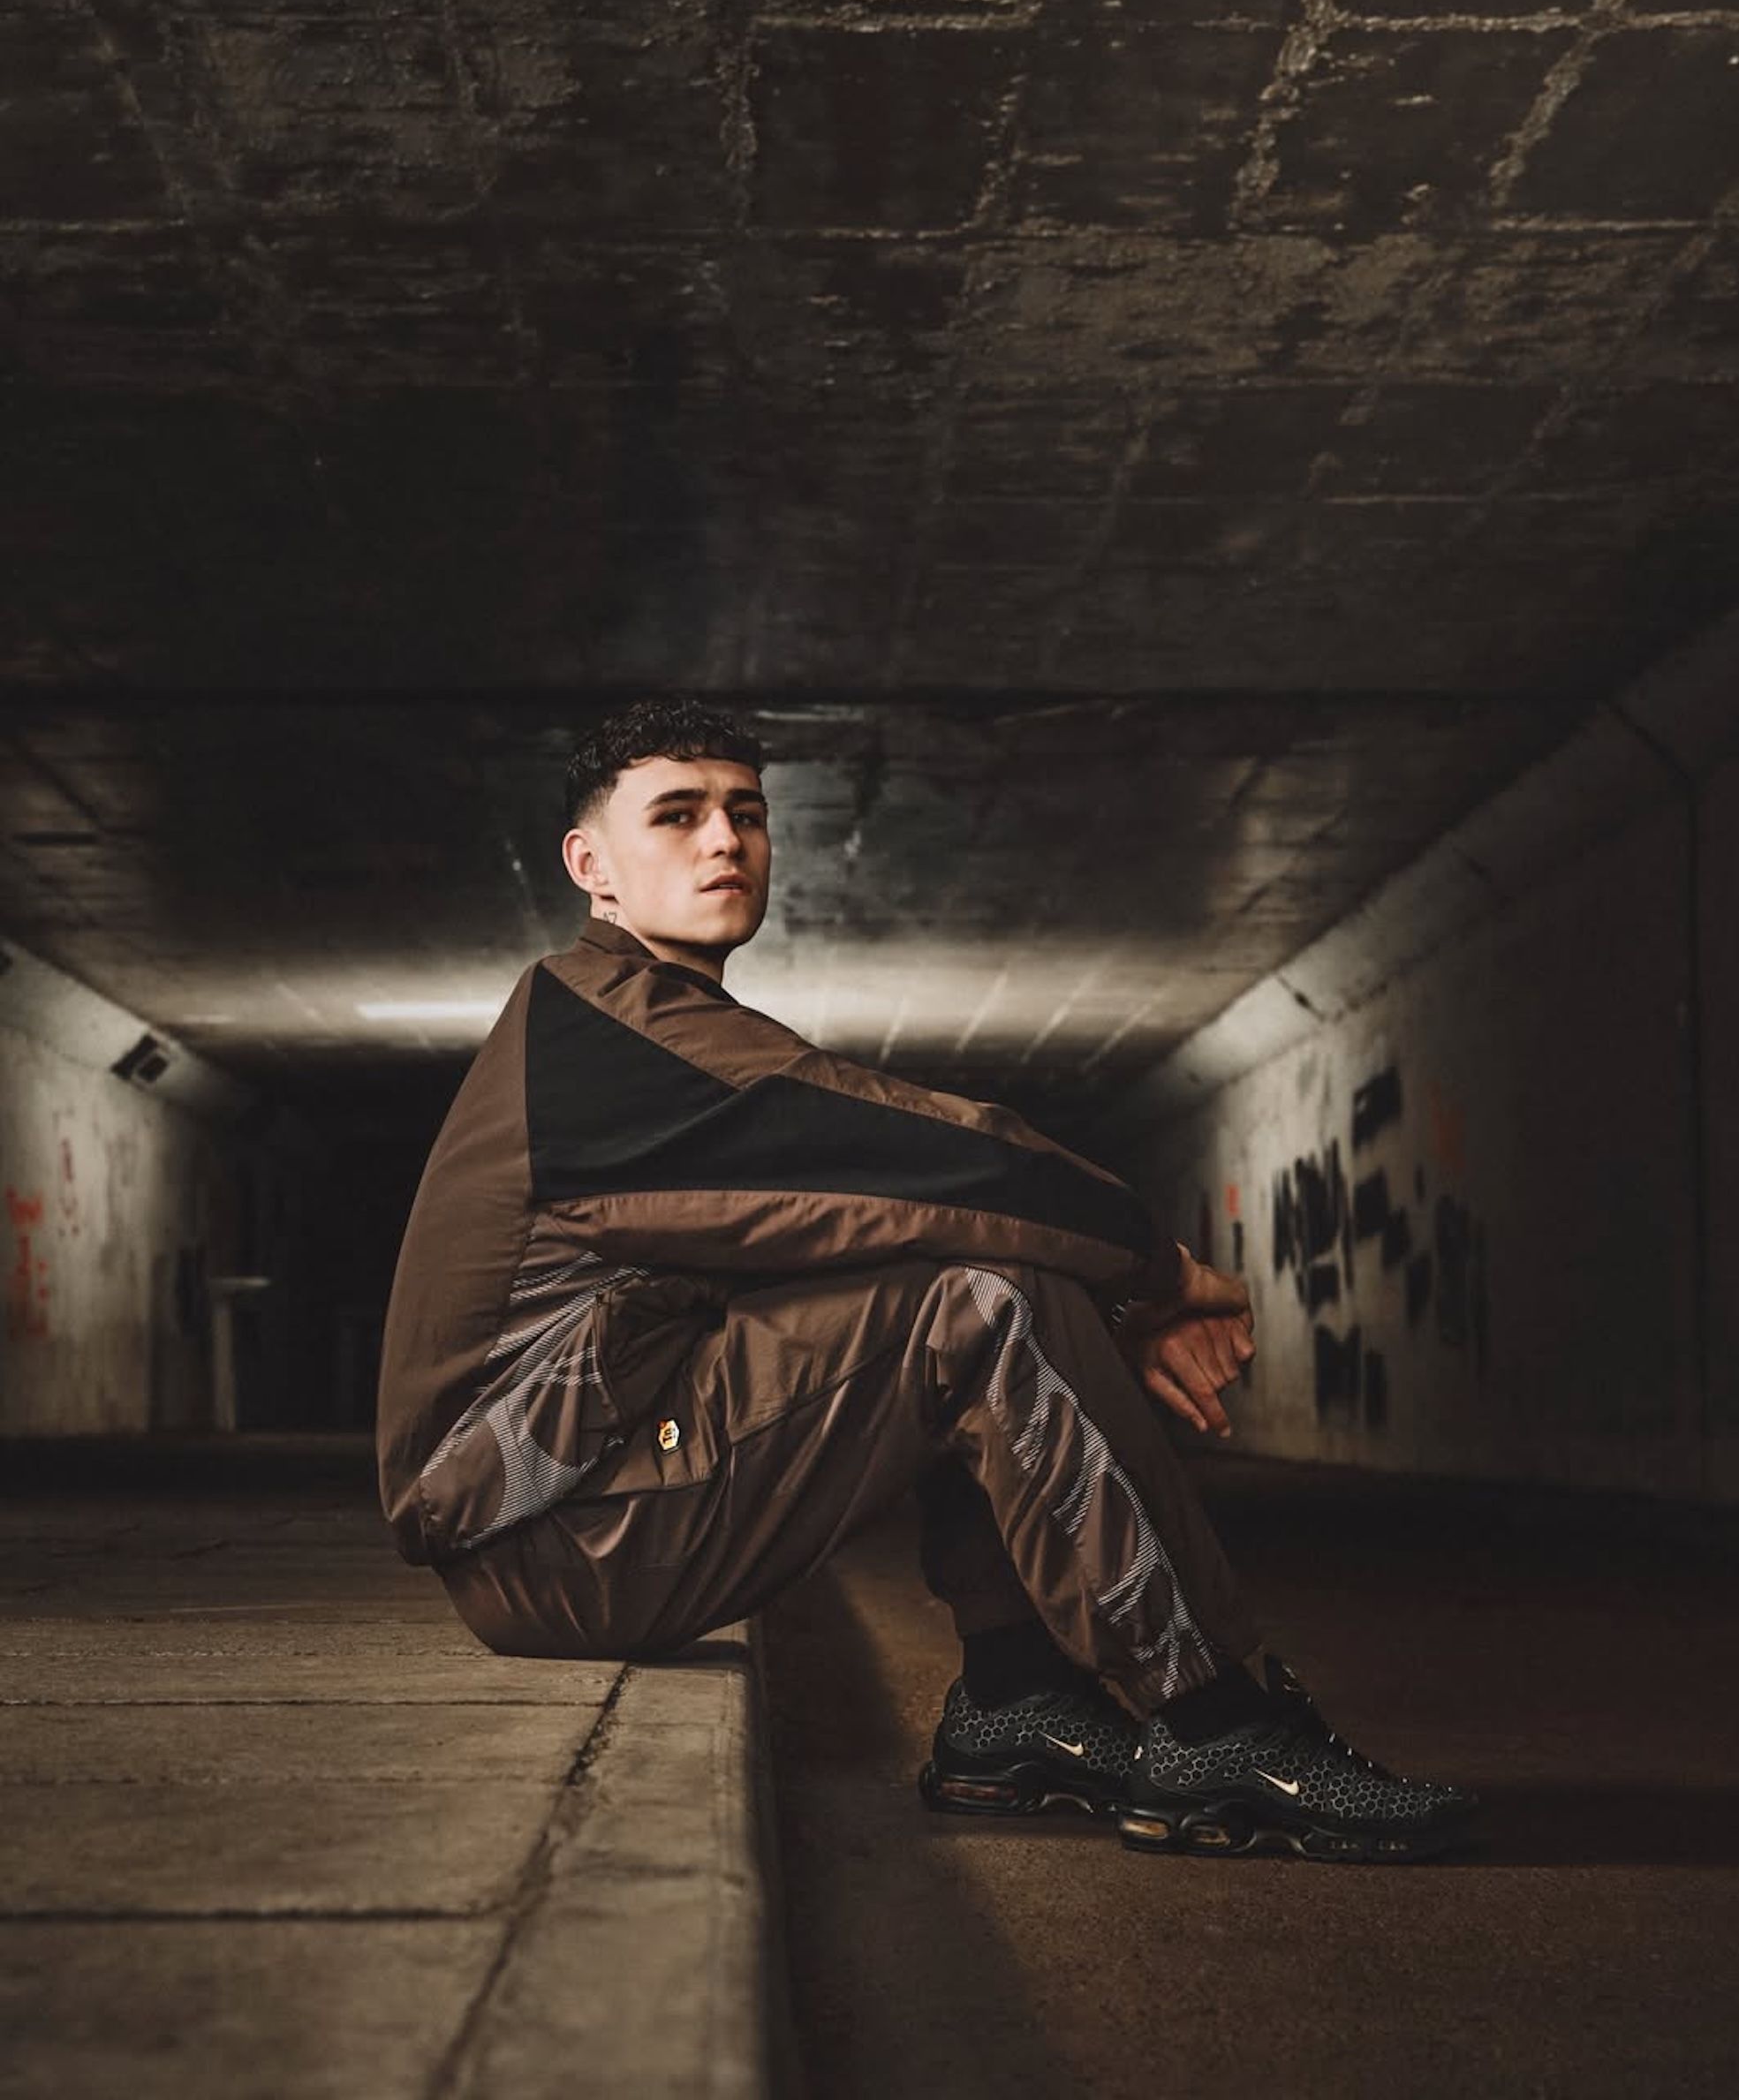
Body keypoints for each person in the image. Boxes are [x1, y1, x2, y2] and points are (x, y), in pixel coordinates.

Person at [376, 697, 1475, 1862]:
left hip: (568, 1500)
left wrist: (1103, 1296)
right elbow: (935, 1151)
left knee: (959, 1272)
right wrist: (1158, 1273)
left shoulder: (630, 1025)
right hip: (555, 1534)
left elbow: (886, 1206)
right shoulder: (608, 1044)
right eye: (680, 814)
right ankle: (1215, 1719)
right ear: (591, 865)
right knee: (985, 1295)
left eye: (745, 814)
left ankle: (1015, 1701)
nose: (724, 842)